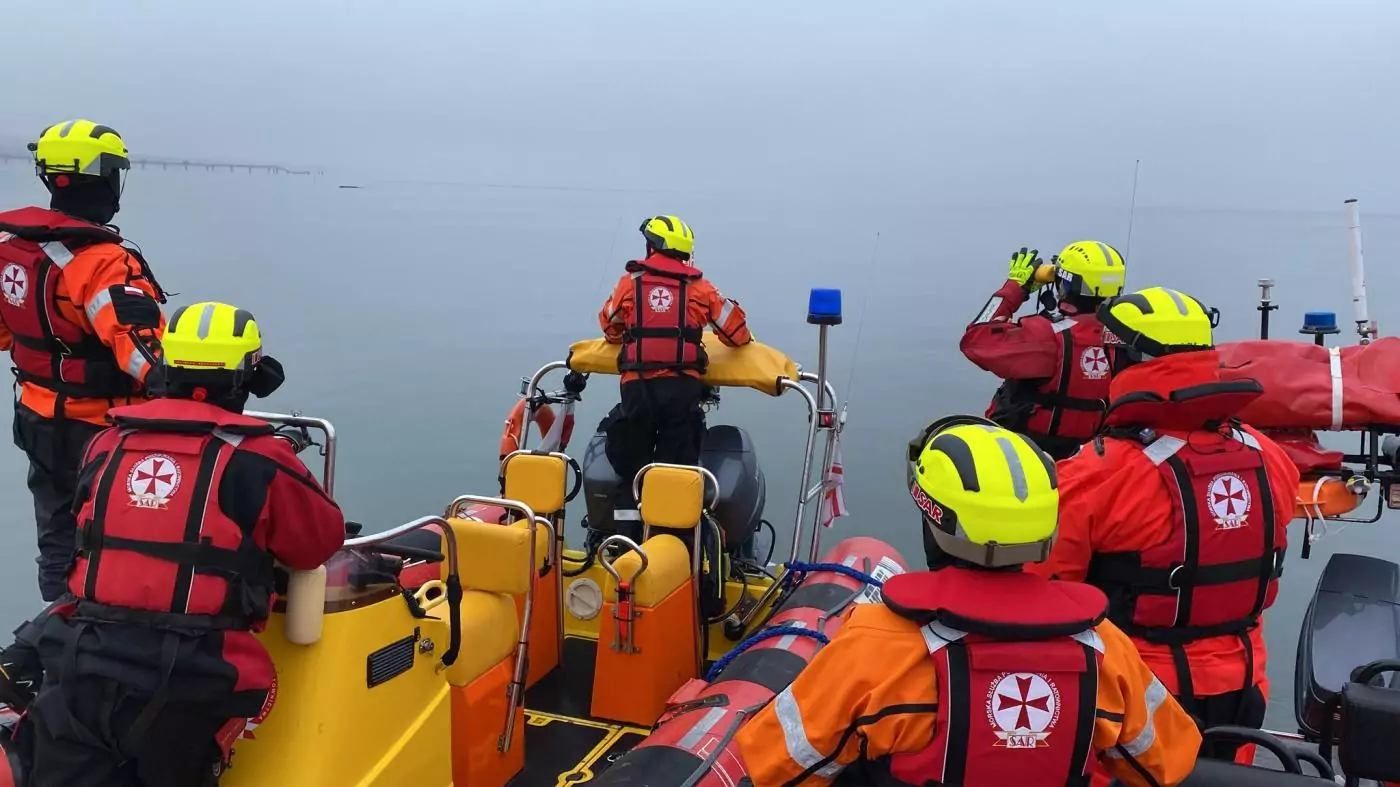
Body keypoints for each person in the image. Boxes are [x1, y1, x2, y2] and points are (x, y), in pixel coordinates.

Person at [736, 415, 1201, 787]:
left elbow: (772, 765)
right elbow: (1169, 763)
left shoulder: (874, 646)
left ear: (933, 522)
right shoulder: (1106, 649)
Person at [20, 301, 345, 787]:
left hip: (86, 657)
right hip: (191, 674)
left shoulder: (107, 443)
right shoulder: (261, 457)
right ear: (246, 378)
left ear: (167, 367)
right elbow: (316, 543)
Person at [1027, 286, 1299, 764]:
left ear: (1126, 364)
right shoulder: (1269, 457)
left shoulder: (1097, 473)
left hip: (1135, 697)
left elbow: (1044, 594)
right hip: (1244, 689)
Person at [0, 119, 168, 603]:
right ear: (104, 177)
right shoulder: (103, 264)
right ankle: (98, 640)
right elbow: (143, 360)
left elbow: (8, 332)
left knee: (56, 536)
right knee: (114, 544)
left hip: (35, 419)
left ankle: (55, 631)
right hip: (100, 430)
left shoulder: (12, 253)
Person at [598, 215, 752, 529]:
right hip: (681, 390)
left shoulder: (629, 284)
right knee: (676, 470)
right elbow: (737, 334)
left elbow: (609, 326)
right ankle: (672, 540)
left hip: (637, 389)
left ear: (650, 247)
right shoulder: (701, 289)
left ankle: (623, 539)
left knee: (631, 471)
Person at [960, 242, 1126, 461]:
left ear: (1063, 286)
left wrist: (1015, 287)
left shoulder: (1046, 336)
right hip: (1089, 462)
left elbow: (975, 340)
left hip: (1027, 461)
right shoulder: (1129, 336)